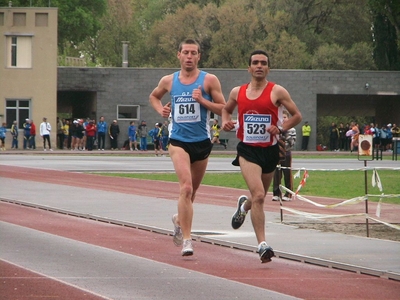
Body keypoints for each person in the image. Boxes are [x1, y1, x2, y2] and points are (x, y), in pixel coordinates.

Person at [221, 49, 302, 263]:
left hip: (270, 151)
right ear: (248, 68)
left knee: (258, 197)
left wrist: (280, 127)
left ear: (268, 68)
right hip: (248, 150)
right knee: (258, 194)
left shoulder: (277, 91)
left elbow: (297, 116)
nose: (259, 66)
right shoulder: (237, 92)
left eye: (263, 63)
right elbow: (225, 110)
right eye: (255, 62)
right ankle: (262, 245)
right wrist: (225, 122)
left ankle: (243, 206)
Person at [149, 38, 226, 256]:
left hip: (202, 142)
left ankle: (178, 219)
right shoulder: (169, 81)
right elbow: (154, 96)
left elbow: (223, 108)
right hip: (178, 141)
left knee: (191, 196)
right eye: (186, 52)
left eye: (193, 53)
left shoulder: (209, 80)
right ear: (179, 55)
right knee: (186, 188)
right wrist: (160, 110)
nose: (189, 56)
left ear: (199, 56)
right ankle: (188, 240)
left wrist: (203, 101)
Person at [272, 110, 296, 201]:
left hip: (286, 153)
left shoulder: (292, 130)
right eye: (281, 118)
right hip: (276, 154)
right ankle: (276, 193)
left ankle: (288, 193)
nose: (283, 119)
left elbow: (292, 143)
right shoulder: (276, 128)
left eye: (285, 117)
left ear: (288, 118)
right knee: (276, 173)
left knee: (287, 173)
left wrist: (285, 133)